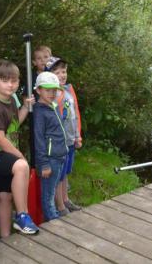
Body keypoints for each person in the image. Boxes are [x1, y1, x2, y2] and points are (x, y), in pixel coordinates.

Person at [0, 60, 38, 237]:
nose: (10, 84)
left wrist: (26, 107)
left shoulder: (11, 100)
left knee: (5, 197)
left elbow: (14, 124)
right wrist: (20, 156)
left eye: (14, 81)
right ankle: (22, 215)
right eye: (5, 80)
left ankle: (5, 237)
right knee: (21, 166)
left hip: (4, 152)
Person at [46, 57, 83, 215]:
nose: (62, 75)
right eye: (57, 72)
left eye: (64, 71)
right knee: (58, 176)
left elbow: (75, 115)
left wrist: (77, 136)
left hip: (70, 140)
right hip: (58, 143)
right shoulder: (52, 95)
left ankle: (66, 200)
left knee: (65, 172)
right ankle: (60, 206)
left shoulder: (68, 90)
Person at [31, 71, 69, 221]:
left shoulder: (52, 106)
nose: (52, 93)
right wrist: (44, 164)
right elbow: (39, 139)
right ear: (38, 90)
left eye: (54, 90)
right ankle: (53, 222)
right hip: (50, 160)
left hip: (59, 156)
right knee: (48, 195)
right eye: (48, 90)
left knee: (52, 190)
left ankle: (53, 218)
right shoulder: (39, 111)